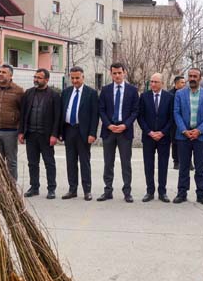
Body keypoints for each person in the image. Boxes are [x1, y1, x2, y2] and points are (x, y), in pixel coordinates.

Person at [97, 62, 139, 203]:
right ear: (111, 74)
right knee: (108, 163)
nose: (117, 75)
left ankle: (127, 192)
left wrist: (125, 125)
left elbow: (135, 111)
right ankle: (107, 191)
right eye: (114, 73)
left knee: (126, 163)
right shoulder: (105, 89)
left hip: (124, 132)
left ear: (124, 72)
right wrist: (108, 125)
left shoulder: (132, 90)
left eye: (119, 73)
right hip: (109, 131)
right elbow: (101, 109)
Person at [173, 67, 203, 205]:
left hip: (200, 137)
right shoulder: (179, 94)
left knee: (200, 167)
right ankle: (181, 193)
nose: (192, 78)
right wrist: (184, 130)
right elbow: (176, 113)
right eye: (190, 76)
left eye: (195, 76)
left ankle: (201, 195)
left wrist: (199, 130)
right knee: (183, 166)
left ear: (200, 78)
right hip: (183, 136)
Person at [18, 68, 61, 199]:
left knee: (49, 163)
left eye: (39, 77)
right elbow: (23, 113)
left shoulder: (54, 95)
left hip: (46, 135)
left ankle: (51, 188)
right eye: (35, 77)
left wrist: (54, 134)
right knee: (32, 162)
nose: (36, 79)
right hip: (31, 134)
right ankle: (34, 187)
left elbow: (57, 117)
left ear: (46, 80)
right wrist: (21, 132)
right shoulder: (29, 93)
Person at [60, 66, 98, 200]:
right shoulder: (66, 92)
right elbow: (62, 112)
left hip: (83, 132)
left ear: (83, 77)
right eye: (73, 78)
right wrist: (60, 132)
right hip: (68, 130)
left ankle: (87, 190)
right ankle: (72, 189)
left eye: (77, 78)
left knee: (84, 162)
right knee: (70, 162)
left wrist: (92, 134)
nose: (75, 80)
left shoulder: (91, 93)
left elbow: (95, 116)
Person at [0, 64, 24, 181]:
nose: (0, 74)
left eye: (4, 72)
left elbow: (22, 111)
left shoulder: (18, 91)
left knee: (11, 161)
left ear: (11, 75)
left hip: (10, 132)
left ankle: (11, 185)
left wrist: (19, 129)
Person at [138, 73, 173, 202]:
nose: (153, 84)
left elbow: (171, 118)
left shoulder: (169, 97)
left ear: (162, 83)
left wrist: (162, 132)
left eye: (156, 82)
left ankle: (162, 192)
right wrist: (149, 132)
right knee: (149, 165)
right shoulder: (144, 97)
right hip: (148, 137)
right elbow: (140, 116)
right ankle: (150, 191)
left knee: (163, 165)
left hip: (164, 138)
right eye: (151, 81)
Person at [169, 75, 186, 169]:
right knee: (175, 142)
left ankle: (188, 161)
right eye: (182, 82)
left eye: (184, 82)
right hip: (173, 123)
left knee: (186, 142)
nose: (184, 84)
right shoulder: (170, 94)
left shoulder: (186, 93)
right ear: (176, 83)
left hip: (184, 122)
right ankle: (176, 161)